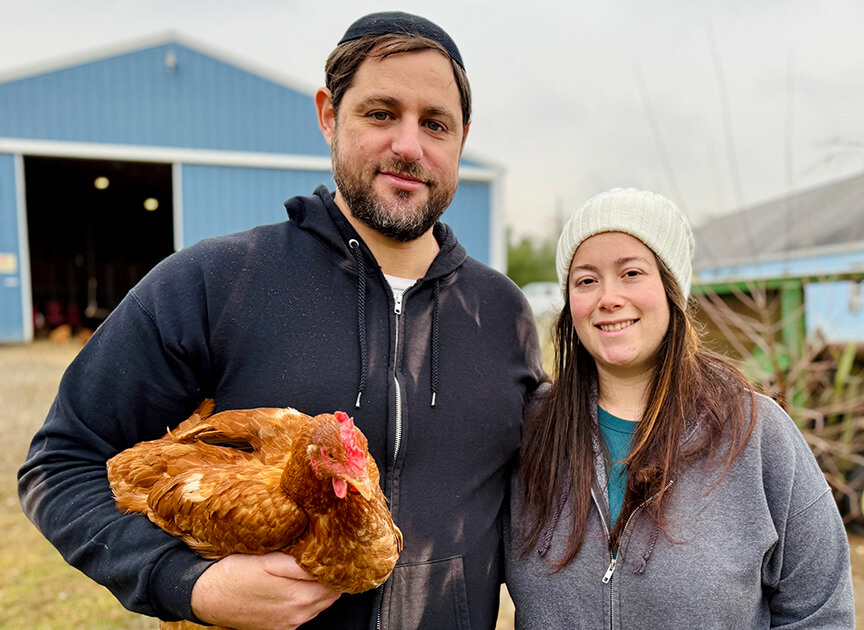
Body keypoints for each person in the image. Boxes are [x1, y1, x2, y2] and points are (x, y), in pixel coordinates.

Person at [18, 11, 542, 630]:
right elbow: (62, 463)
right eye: (380, 114)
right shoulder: (214, 282)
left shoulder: (503, 313)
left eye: (435, 123)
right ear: (329, 115)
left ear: (462, 136)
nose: (409, 145)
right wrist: (187, 583)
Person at [505, 188, 855, 628]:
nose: (608, 297)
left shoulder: (756, 433)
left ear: (672, 290)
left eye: (631, 273)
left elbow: (820, 611)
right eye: (587, 280)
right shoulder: (530, 430)